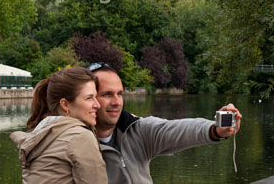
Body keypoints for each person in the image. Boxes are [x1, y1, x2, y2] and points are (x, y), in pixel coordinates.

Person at [86, 62, 242, 184]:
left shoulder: (137, 130)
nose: (116, 102)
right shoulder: (74, 143)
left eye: (119, 94)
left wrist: (215, 130)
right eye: (107, 94)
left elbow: (178, 130)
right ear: (89, 98)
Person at [10, 67, 108, 184]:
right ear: (65, 104)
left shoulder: (39, 134)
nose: (97, 105)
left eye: (96, 97)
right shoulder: (80, 137)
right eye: (89, 98)